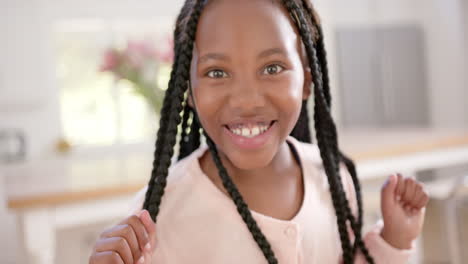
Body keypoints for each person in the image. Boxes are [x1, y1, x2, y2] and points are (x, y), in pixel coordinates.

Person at [89, 0, 429, 263]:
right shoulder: (157, 216)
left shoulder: (333, 178)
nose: (247, 100)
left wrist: (394, 239)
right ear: (188, 91)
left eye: (272, 67)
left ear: (308, 80)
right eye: (217, 72)